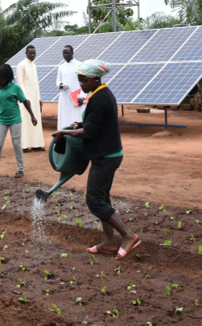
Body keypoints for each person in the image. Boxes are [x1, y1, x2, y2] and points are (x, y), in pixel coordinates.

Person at [51, 59, 140, 260]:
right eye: (79, 80)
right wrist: (78, 124)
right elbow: (94, 123)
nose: (81, 84)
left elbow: (90, 132)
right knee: (102, 199)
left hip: (105, 156)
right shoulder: (100, 94)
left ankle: (128, 235)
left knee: (94, 200)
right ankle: (109, 242)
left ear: (96, 78)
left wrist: (65, 132)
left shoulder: (100, 98)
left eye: (84, 80)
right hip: (109, 154)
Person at [0, 64, 38, 177]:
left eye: (0, 80)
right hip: (1, 120)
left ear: (7, 78)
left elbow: (25, 101)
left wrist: (32, 116)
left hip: (15, 120)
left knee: (16, 144)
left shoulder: (16, 88)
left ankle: (20, 170)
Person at [16, 45, 45, 152]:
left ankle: (36, 144)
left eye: (34, 53)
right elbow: (20, 83)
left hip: (35, 98)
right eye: (31, 53)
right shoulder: (21, 65)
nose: (33, 55)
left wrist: (39, 98)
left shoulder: (34, 66)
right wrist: (25, 98)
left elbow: (36, 84)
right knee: (26, 121)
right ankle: (24, 146)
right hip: (26, 99)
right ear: (26, 53)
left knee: (36, 119)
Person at [56, 45, 85, 130]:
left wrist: (82, 96)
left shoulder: (80, 65)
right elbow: (58, 80)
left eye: (67, 53)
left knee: (77, 117)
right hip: (64, 97)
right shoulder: (61, 67)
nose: (65, 55)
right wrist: (60, 85)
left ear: (72, 53)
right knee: (64, 118)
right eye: (63, 53)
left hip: (76, 97)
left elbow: (84, 81)